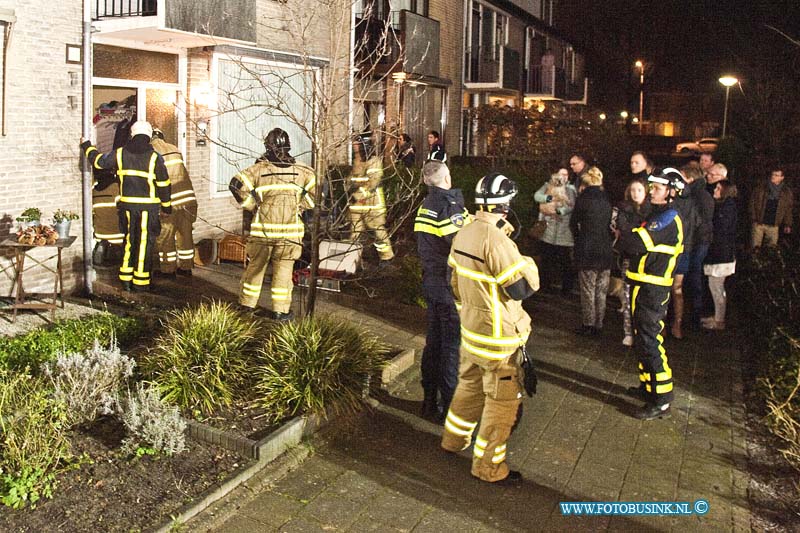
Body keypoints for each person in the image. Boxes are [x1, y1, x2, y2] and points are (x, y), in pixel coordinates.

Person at [441, 172, 539, 484]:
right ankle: (488, 468)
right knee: (502, 405)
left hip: (472, 334)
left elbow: (453, 283)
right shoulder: (497, 241)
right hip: (499, 342)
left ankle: (452, 441)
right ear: (506, 205)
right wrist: (528, 262)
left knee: (468, 387)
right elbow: (522, 288)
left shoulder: (465, 232)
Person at [618, 168, 685, 420]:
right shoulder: (657, 214)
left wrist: (626, 235)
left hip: (653, 288)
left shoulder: (668, 218)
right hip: (641, 284)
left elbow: (632, 244)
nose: (651, 192)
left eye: (656, 188)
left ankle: (663, 398)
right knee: (640, 336)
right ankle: (649, 387)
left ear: (671, 192)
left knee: (649, 340)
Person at [228, 128, 315, 320]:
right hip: (290, 235)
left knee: (255, 269)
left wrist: (252, 206)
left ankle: (246, 305)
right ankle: (280, 311)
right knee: (284, 273)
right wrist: (300, 207)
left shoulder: (259, 169)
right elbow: (318, 194)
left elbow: (235, 185)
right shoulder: (303, 171)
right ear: (288, 146)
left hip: (263, 233)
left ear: (268, 146)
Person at [81, 121, 171, 292]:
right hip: (148, 209)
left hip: (127, 207)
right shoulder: (155, 157)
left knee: (129, 241)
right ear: (149, 136)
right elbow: (164, 185)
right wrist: (167, 207)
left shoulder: (120, 153)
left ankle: (125, 280)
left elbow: (99, 162)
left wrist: (86, 145)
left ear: (132, 134)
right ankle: (141, 283)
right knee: (144, 243)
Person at [413, 160, 469, 422]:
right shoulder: (449, 207)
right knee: (450, 347)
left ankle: (428, 401)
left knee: (433, 344)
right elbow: (462, 245)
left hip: (432, 282)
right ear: (447, 177)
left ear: (426, 181)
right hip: (449, 286)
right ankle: (450, 407)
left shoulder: (425, 205)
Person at [571, 166, 613, 336]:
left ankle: (588, 324)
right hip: (605, 249)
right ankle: (599, 324)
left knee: (588, 289)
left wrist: (578, 238)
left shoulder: (583, 199)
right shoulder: (607, 199)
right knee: (601, 290)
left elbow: (573, 223)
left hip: (587, 249)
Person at [151, 128, 197, 277]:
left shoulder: (151, 152)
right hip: (188, 200)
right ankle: (186, 268)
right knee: (185, 235)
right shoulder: (175, 149)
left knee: (166, 237)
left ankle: (168, 270)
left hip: (168, 201)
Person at [347, 132, 395, 264]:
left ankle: (386, 257)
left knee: (378, 231)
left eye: (356, 143)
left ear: (364, 144)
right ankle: (352, 259)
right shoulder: (357, 160)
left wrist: (357, 195)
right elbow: (353, 179)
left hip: (373, 202)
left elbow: (372, 183)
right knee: (355, 231)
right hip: (358, 203)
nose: (353, 145)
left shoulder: (374, 162)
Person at [612, 178, 650, 346]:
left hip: (647, 259)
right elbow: (622, 229)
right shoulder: (623, 208)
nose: (636, 193)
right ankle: (628, 331)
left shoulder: (651, 210)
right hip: (629, 257)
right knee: (627, 296)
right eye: (633, 190)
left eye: (639, 190)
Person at [681, 164, 714, 328]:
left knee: (694, 275)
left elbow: (696, 221)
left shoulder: (695, 195)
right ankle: (694, 311)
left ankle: (695, 312)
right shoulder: (703, 194)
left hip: (697, 241)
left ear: (689, 178)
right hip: (701, 240)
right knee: (694, 275)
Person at [534, 168, 576, 294]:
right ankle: (545, 286)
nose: (562, 177)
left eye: (565, 174)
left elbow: (571, 205)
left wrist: (559, 211)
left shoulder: (571, 189)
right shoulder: (547, 185)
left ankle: (566, 289)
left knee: (565, 261)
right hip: (548, 230)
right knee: (546, 259)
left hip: (564, 231)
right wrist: (551, 198)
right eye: (560, 174)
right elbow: (537, 196)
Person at [702, 180, 738, 330]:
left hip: (721, 254)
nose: (715, 190)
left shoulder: (726, 208)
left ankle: (719, 320)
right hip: (720, 252)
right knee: (715, 286)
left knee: (717, 287)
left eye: (718, 188)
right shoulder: (724, 207)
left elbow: (721, 230)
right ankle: (717, 317)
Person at [750, 167, 794, 248]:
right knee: (755, 248)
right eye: (773, 174)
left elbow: (788, 209)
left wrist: (787, 224)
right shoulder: (761, 187)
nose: (773, 176)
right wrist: (754, 218)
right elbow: (752, 202)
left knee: (771, 250)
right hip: (759, 223)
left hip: (774, 226)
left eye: (776, 175)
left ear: (782, 177)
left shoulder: (786, 192)